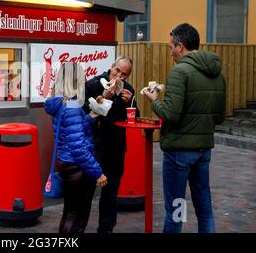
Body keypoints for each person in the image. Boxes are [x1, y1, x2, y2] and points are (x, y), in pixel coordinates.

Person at [143, 23, 226, 233]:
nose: (170, 53)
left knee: (177, 208)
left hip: (179, 151)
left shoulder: (180, 72)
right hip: (203, 150)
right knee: (204, 206)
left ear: (180, 47)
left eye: (171, 47)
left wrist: (154, 100)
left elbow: (170, 114)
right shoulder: (218, 74)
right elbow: (219, 117)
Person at [44, 62, 107, 233]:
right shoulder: (71, 105)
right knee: (75, 216)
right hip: (76, 166)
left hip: (66, 162)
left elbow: (72, 128)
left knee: (69, 213)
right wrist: (97, 172)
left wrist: (91, 116)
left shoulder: (61, 102)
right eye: (82, 76)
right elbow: (78, 146)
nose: (85, 79)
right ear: (75, 80)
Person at [83, 55, 138, 233]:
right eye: (117, 71)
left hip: (116, 147)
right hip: (94, 146)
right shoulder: (94, 84)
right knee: (87, 192)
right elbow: (83, 114)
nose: (119, 77)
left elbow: (134, 117)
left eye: (124, 75)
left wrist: (129, 102)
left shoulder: (127, 90)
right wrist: (103, 98)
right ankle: (79, 228)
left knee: (111, 192)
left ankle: (106, 229)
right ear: (111, 67)